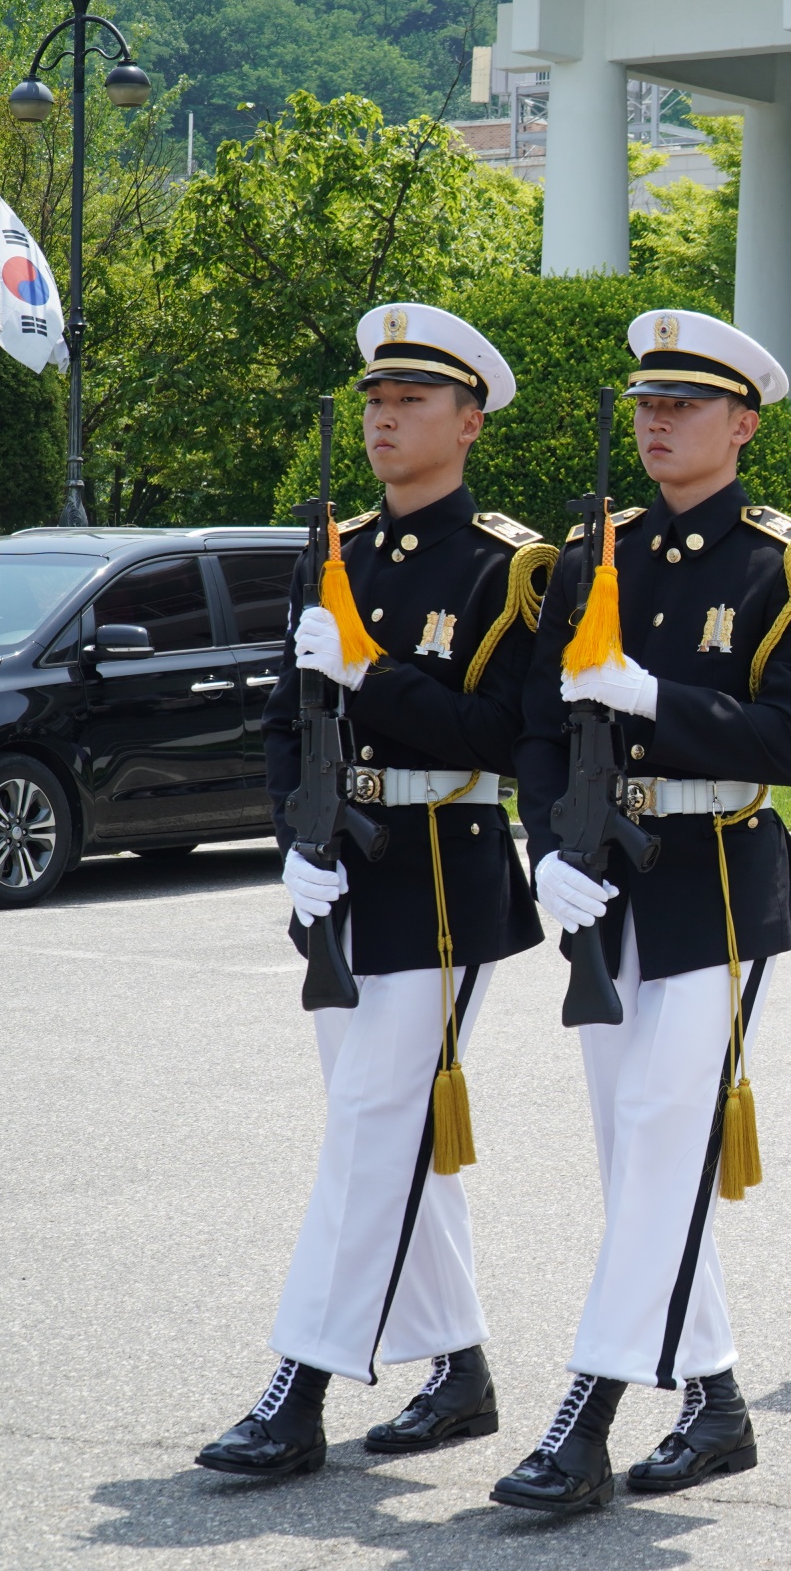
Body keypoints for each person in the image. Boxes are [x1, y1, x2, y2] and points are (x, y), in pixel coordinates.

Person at [198, 304, 554, 1480]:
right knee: (389, 1134)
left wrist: (378, 676)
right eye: (373, 399)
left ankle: (299, 1382)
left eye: (410, 401)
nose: (384, 417)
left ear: (470, 420)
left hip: (444, 873)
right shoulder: (333, 548)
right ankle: (458, 1368)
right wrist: (288, 835)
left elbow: (505, 737)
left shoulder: (511, 566)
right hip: (338, 870)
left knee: (367, 1135)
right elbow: (283, 718)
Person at [497, 310, 791, 1512]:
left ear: (742, 425)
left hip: (716, 879)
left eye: (684, 405)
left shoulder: (782, 564)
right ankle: (717, 1403)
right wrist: (542, 847)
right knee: (630, 1151)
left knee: (656, 1141)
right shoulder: (595, 551)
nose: (656, 420)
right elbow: (538, 732)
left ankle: (587, 1411)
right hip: (601, 877)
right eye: (647, 403)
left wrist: (658, 694)